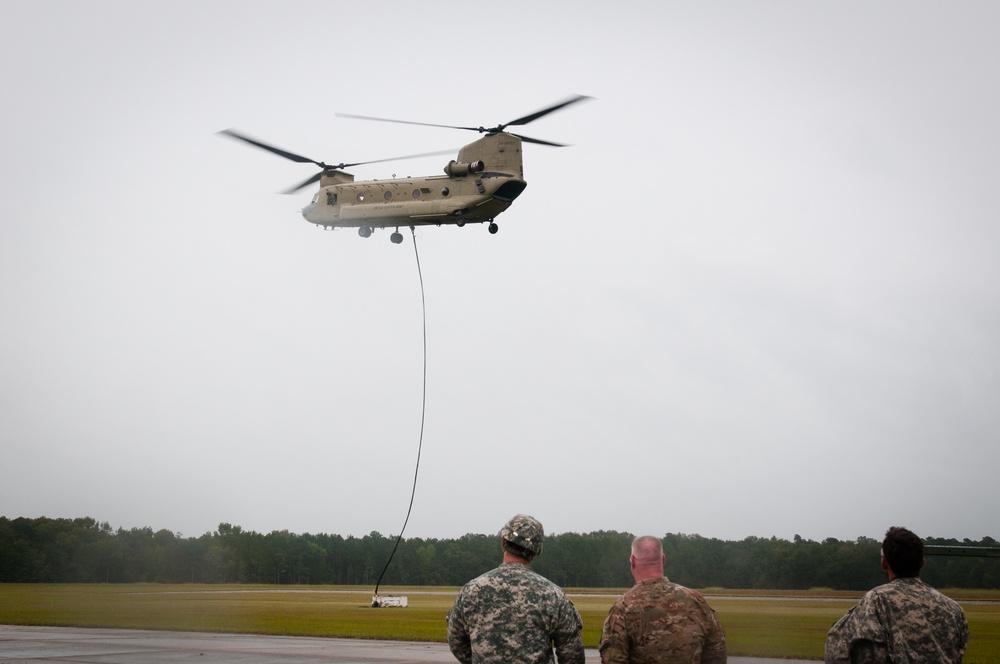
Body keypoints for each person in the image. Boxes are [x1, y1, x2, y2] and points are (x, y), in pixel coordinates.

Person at [447, 514, 585, 664]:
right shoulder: (553, 595)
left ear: (503, 543)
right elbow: (572, 655)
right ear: (534, 552)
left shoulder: (472, 590)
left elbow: (456, 641)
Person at [825, 526, 969, 664]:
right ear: (922, 563)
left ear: (884, 563)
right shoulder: (954, 609)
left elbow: (837, 650)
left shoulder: (876, 600)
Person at [599, 535, 727, 664]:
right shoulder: (697, 601)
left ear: (632, 561)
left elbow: (613, 660)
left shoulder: (624, 608)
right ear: (663, 559)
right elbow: (717, 654)